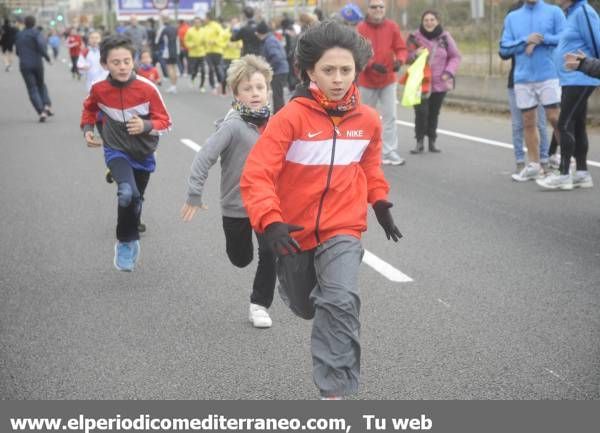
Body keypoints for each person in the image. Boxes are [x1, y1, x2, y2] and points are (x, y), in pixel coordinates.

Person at [240, 21, 402, 399]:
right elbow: (257, 174)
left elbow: (369, 164)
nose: (338, 78)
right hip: (292, 231)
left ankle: (335, 393)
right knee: (304, 304)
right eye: (328, 70)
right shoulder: (289, 119)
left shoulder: (367, 120)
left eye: (346, 70)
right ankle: (293, 288)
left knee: (341, 300)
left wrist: (378, 200)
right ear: (310, 70)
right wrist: (271, 221)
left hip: (342, 226)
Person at [181, 55, 276, 328]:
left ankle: (259, 304)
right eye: (247, 88)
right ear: (236, 93)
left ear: (268, 89)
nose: (255, 93)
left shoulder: (277, 122)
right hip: (236, 205)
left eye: (260, 87)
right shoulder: (233, 125)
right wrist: (194, 194)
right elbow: (204, 157)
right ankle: (240, 254)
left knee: (271, 251)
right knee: (241, 258)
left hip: (268, 203)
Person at [80, 35, 171, 271]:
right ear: (104, 64)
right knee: (126, 193)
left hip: (143, 153)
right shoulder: (99, 89)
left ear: (134, 61)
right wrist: (88, 129)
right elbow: (89, 109)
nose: (122, 66)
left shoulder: (147, 88)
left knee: (136, 199)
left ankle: (131, 223)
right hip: (115, 149)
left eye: (126, 61)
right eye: (115, 62)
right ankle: (126, 242)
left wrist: (146, 125)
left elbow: (166, 121)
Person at [499, 0, 566, 182]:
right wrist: (524, 41)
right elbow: (503, 49)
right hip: (522, 78)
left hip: (548, 75)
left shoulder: (554, 12)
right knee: (528, 122)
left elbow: (564, 37)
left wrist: (541, 39)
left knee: (555, 117)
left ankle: (568, 163)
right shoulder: (512, 17)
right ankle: (534, 165)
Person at [537, 0, 600, 190]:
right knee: (578, 124)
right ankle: (582, 173)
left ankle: (563, 174)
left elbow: (597, 43)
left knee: (564, 123)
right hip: (571, 78)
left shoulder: (583, 11)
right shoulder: (571, 12)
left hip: (581, 78)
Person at [357, 0, 408, 166]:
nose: (378, 9)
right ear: (368, 9)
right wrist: (371, 64)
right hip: (366, 80)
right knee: (365, 118)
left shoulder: (392, 26)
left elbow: (401, 48)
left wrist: (400, 61)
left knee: (390, 117)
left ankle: (389, 152)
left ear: (385, 9)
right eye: (374, 7)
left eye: (381, 7)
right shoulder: (361, 28)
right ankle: (363, 152)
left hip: (387, 80)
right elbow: (357, 52)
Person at [405, 11, 461, 154]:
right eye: (426, 20)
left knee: (434, 113)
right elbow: (405, 57)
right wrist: (413, 55)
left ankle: (432, 141)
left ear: (437, 21)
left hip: (439, 82)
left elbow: (455, 56)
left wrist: (448, 72)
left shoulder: (445, 37)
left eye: (432, 19)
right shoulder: (414, 38)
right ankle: (419, 142)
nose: (429, 22)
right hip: (420, 82)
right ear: (422, 22)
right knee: (421, 112)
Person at [15, 15, 54, 122]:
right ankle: (46, 105)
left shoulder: (19, 34)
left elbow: (17, 51)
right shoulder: (37, 33)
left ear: (24, 23)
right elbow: (41, 46)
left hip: (24, 65)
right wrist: (47, 58)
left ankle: (41, 112)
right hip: (37, 63)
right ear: (34, 23)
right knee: (41, 84)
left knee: (32, 88)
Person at [255, 21, 289, 113]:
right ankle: (280, 113)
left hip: (278, 70)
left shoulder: (269, 41)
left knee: (277, 95)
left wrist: (268, 68)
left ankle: (279, 115)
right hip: (282, 69)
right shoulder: (271, 39)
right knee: (278, 94)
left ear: (259, 33)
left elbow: (276, 57)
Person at [157, 13, 180, 94]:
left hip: (168, 51)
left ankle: (173, 87)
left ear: (163, 20)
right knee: (174, 68)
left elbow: (157, 41)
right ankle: (174, 86)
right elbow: (178, 40)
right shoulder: (175, 28)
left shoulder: (163, 29)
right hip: (176, 51)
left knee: (170, 68)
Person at [203, 13, 225, 94]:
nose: (204, 20)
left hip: (217, 50)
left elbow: (222, 34)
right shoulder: (205, 27)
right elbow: (204, 38)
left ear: (208, 18)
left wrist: (215, 41)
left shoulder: (216, 25)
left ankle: (220, 83)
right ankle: (212, 85)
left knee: (217, 68)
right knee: (210, 68)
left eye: (205, 18)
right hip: (208, 51)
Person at [185, 16, 207, 92]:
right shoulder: (190, 31)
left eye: (199, 22)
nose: (197, 23)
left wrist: (205, 42)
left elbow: (207, 41)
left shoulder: (204, 30)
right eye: (196, 22)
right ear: (194, 23)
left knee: (203, 70)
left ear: (201, 23)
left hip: (202, 53)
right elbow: (186, 41)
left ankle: (202, 86)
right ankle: (192, 79)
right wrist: (191, 45)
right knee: (194, 70)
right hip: (193, 54)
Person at [221, 19, 243, 95]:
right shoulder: (225, 32)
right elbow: (220, 43)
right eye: (232, 22)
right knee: (225, 74)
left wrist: (236, 45)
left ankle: (236, 92)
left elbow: (241, 44)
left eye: (235, 22)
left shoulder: (239, 32)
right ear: (230, 23)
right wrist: (227, 44)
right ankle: (223, 90)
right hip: (226, 56)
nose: (234, 24)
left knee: (236, 75)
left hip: (236, 56)